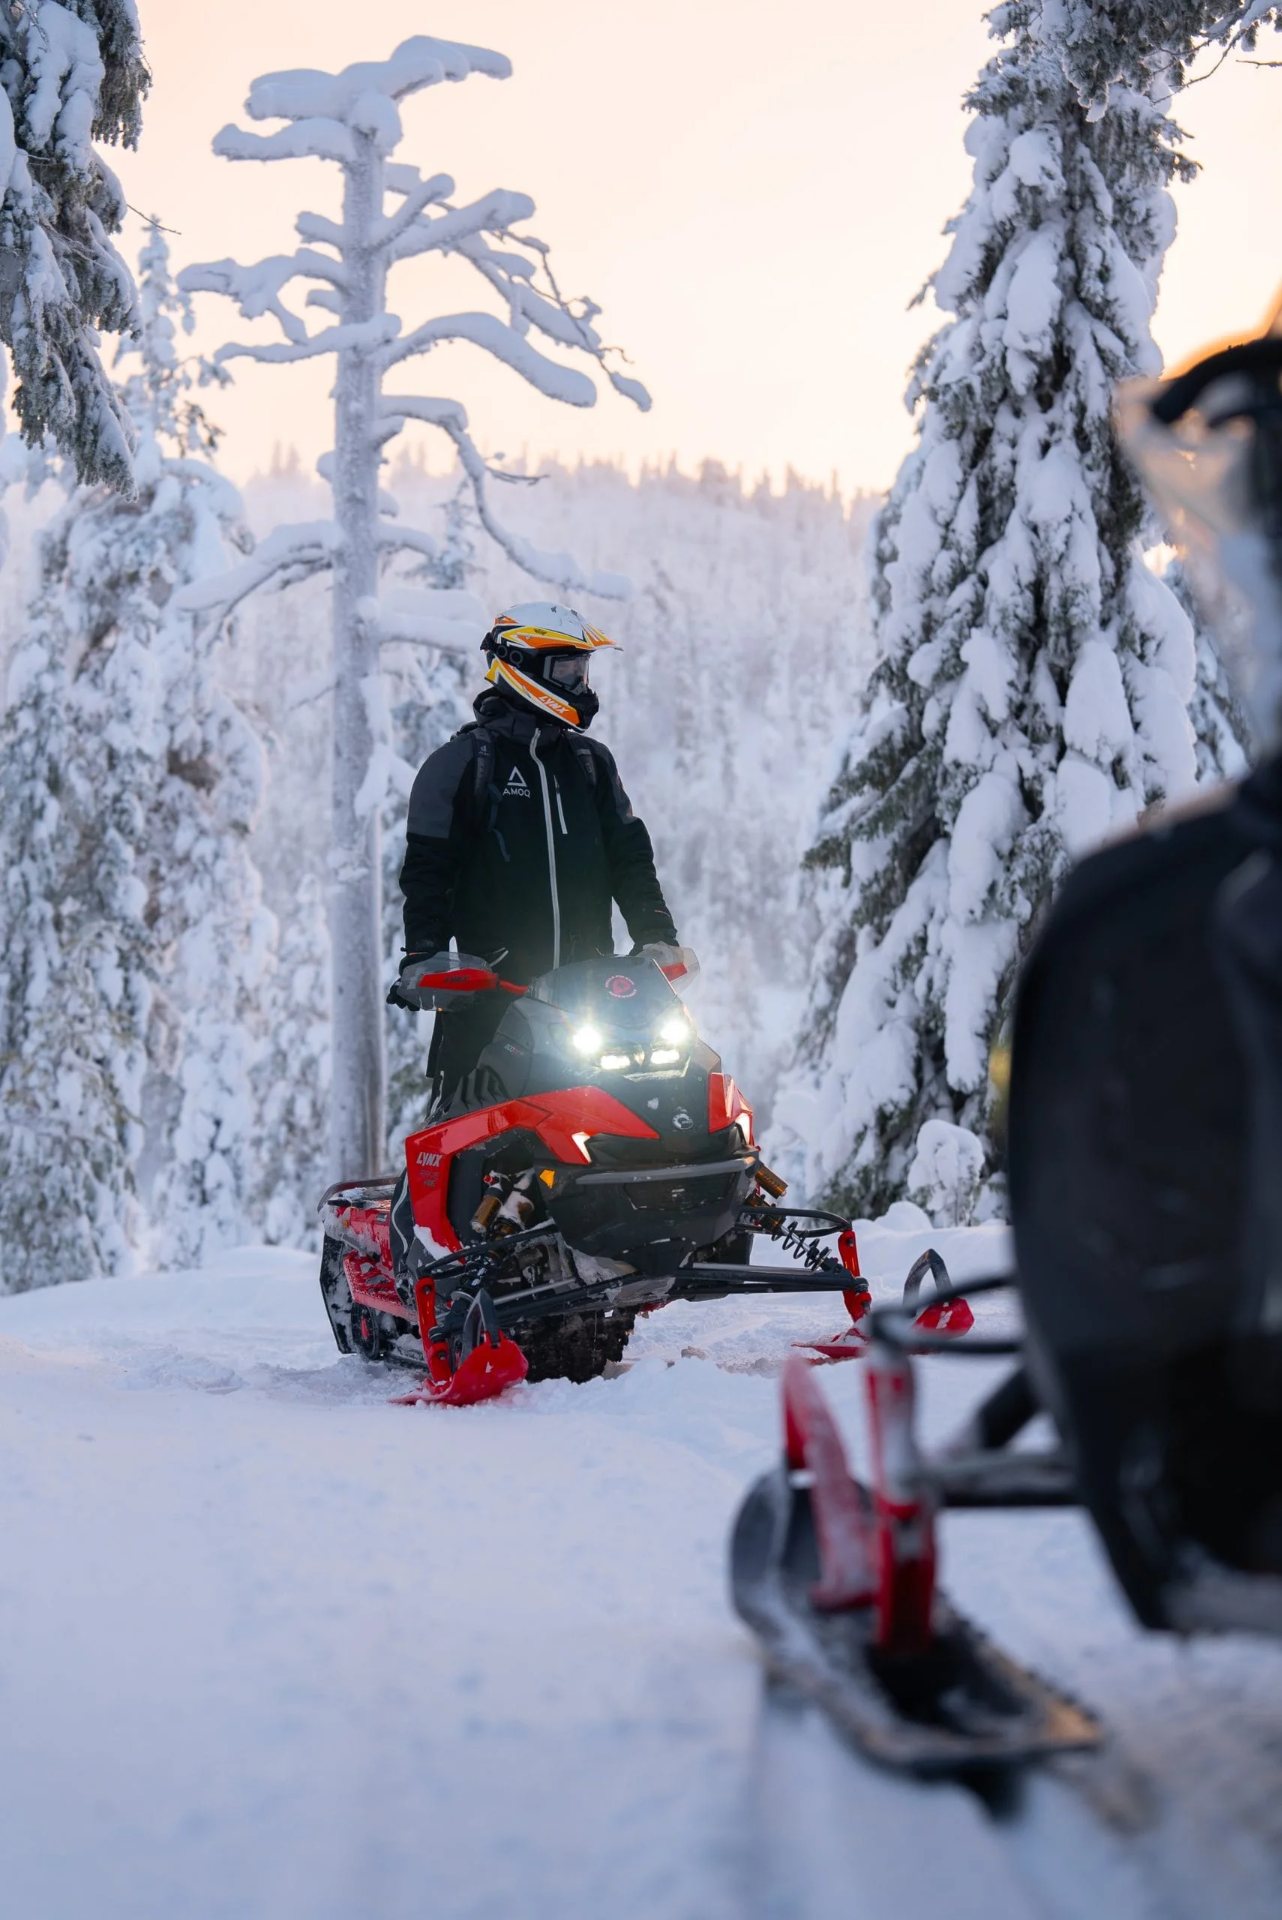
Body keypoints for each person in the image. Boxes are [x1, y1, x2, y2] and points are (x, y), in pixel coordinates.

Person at [390, 601, 688, 1110]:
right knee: (463, 1151)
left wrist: (657, 936)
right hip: (491, 1007)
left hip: (590, 1006)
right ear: (522, 666)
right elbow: (427, 873)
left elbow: (630, 858)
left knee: (641, 1129)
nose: (579, 682)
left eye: (582, 668)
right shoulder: (459, 766)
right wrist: (425, 956)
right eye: (566, 668)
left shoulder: (590, 763)